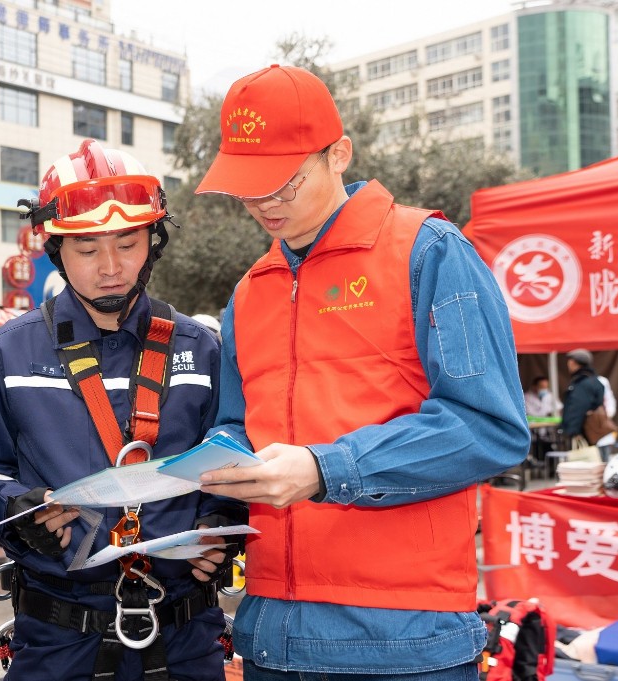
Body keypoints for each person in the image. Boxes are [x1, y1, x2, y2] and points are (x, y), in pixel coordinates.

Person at [192, 65, 529, 680]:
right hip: (271, 636)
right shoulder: (251, 291)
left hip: (404, 638)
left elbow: (489, 426)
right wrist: (213, 473)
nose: (264, 203)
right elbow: (241, 424)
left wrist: (326, 469)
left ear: (338, 154)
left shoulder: (428, 251)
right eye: (247, 188)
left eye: (283, 182)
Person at [0, 139, 246, 681]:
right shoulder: (10, 352)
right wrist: (17, 512)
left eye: (128, 243)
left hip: (187, 639)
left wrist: (222, 523)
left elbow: (232, 461)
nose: (111, 267)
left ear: (152, 242)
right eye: (88, 249)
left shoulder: (200, 348)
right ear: (56, 250)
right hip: (57, 643)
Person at [561, 348, 614, 460]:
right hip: (598, 431)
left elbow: (577, 408)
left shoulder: (582, 384)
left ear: (573, 363)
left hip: (587, 433)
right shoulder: (594, 380)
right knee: (601, 461)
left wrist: (573, 431)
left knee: (592, 464)